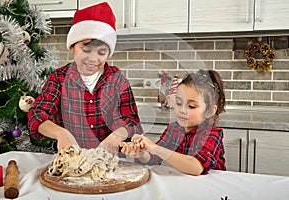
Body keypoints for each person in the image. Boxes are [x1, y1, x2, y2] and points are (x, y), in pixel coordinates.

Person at [27, 2, 143, 153]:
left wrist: (118, 135)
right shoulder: (59, 78)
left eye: (101, 52)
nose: (93, 59)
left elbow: (132, 121)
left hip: (111, 163)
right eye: (86, 49)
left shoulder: (117, 80)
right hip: (71, 162)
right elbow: (37, 114)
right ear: (72, 46)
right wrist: (61, 133)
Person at [120, 69, 226, 175]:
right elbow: (153, 159)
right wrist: (141, 153)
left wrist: (154, 148)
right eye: (179, 103)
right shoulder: (174, 129)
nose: (182, 110)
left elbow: (195, 167)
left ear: (210, 111)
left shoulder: (211, 134)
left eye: (191, 106)